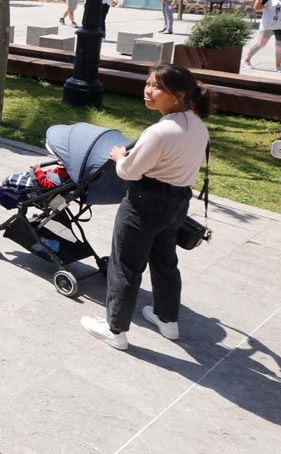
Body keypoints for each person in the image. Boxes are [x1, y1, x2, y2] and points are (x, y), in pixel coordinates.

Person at [81, 65, 212, 350]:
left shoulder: (160, 131)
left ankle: (115, 329)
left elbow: (128, 172)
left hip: (145, 202)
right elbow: (195, 162)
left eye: (156, 87)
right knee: (165, 262)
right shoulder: (198, 125)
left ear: (178, 95)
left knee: (125, 264)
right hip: (177, 202)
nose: (147, 90)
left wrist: (119, 156)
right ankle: (168, 320)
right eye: (148, 83)